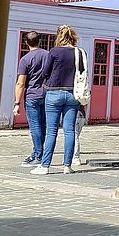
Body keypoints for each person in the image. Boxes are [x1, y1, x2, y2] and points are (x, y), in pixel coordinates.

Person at [31, 25, 87, 175]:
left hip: (54, 93)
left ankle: (45, 166)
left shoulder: (54, 51)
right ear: (72, 36)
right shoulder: (80, 52)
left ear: (59, 36)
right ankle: (67, 166)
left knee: (51, 131)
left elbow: (45, 72)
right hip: (72, 94)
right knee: (69, 131)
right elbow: (83, 73)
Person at [13, 32, 49, 166]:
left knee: (35, 127)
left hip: (32, 96)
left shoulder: (25, 59)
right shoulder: (48, 56)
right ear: (40, 41)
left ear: (26, 43)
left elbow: (20, 83)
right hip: (46, 94)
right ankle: (38, 153)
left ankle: (38, 155)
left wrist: (17, 103)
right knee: (43, 126)